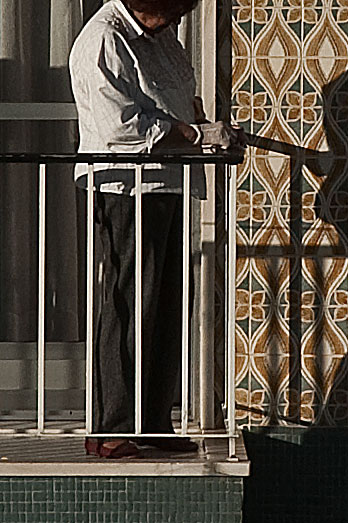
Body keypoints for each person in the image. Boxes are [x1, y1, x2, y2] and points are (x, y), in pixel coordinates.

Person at [69, 0, 241, 458]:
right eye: (175, 8)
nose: (180, 18)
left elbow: (182, 101)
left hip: (168, 181)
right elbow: (121, 126)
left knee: (167, 301)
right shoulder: (105, 38)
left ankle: (152, 421)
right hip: (125, 186)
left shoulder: (162, 41)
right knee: (130, 299)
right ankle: (111, 426)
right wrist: (195, 135)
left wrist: (200, 124)